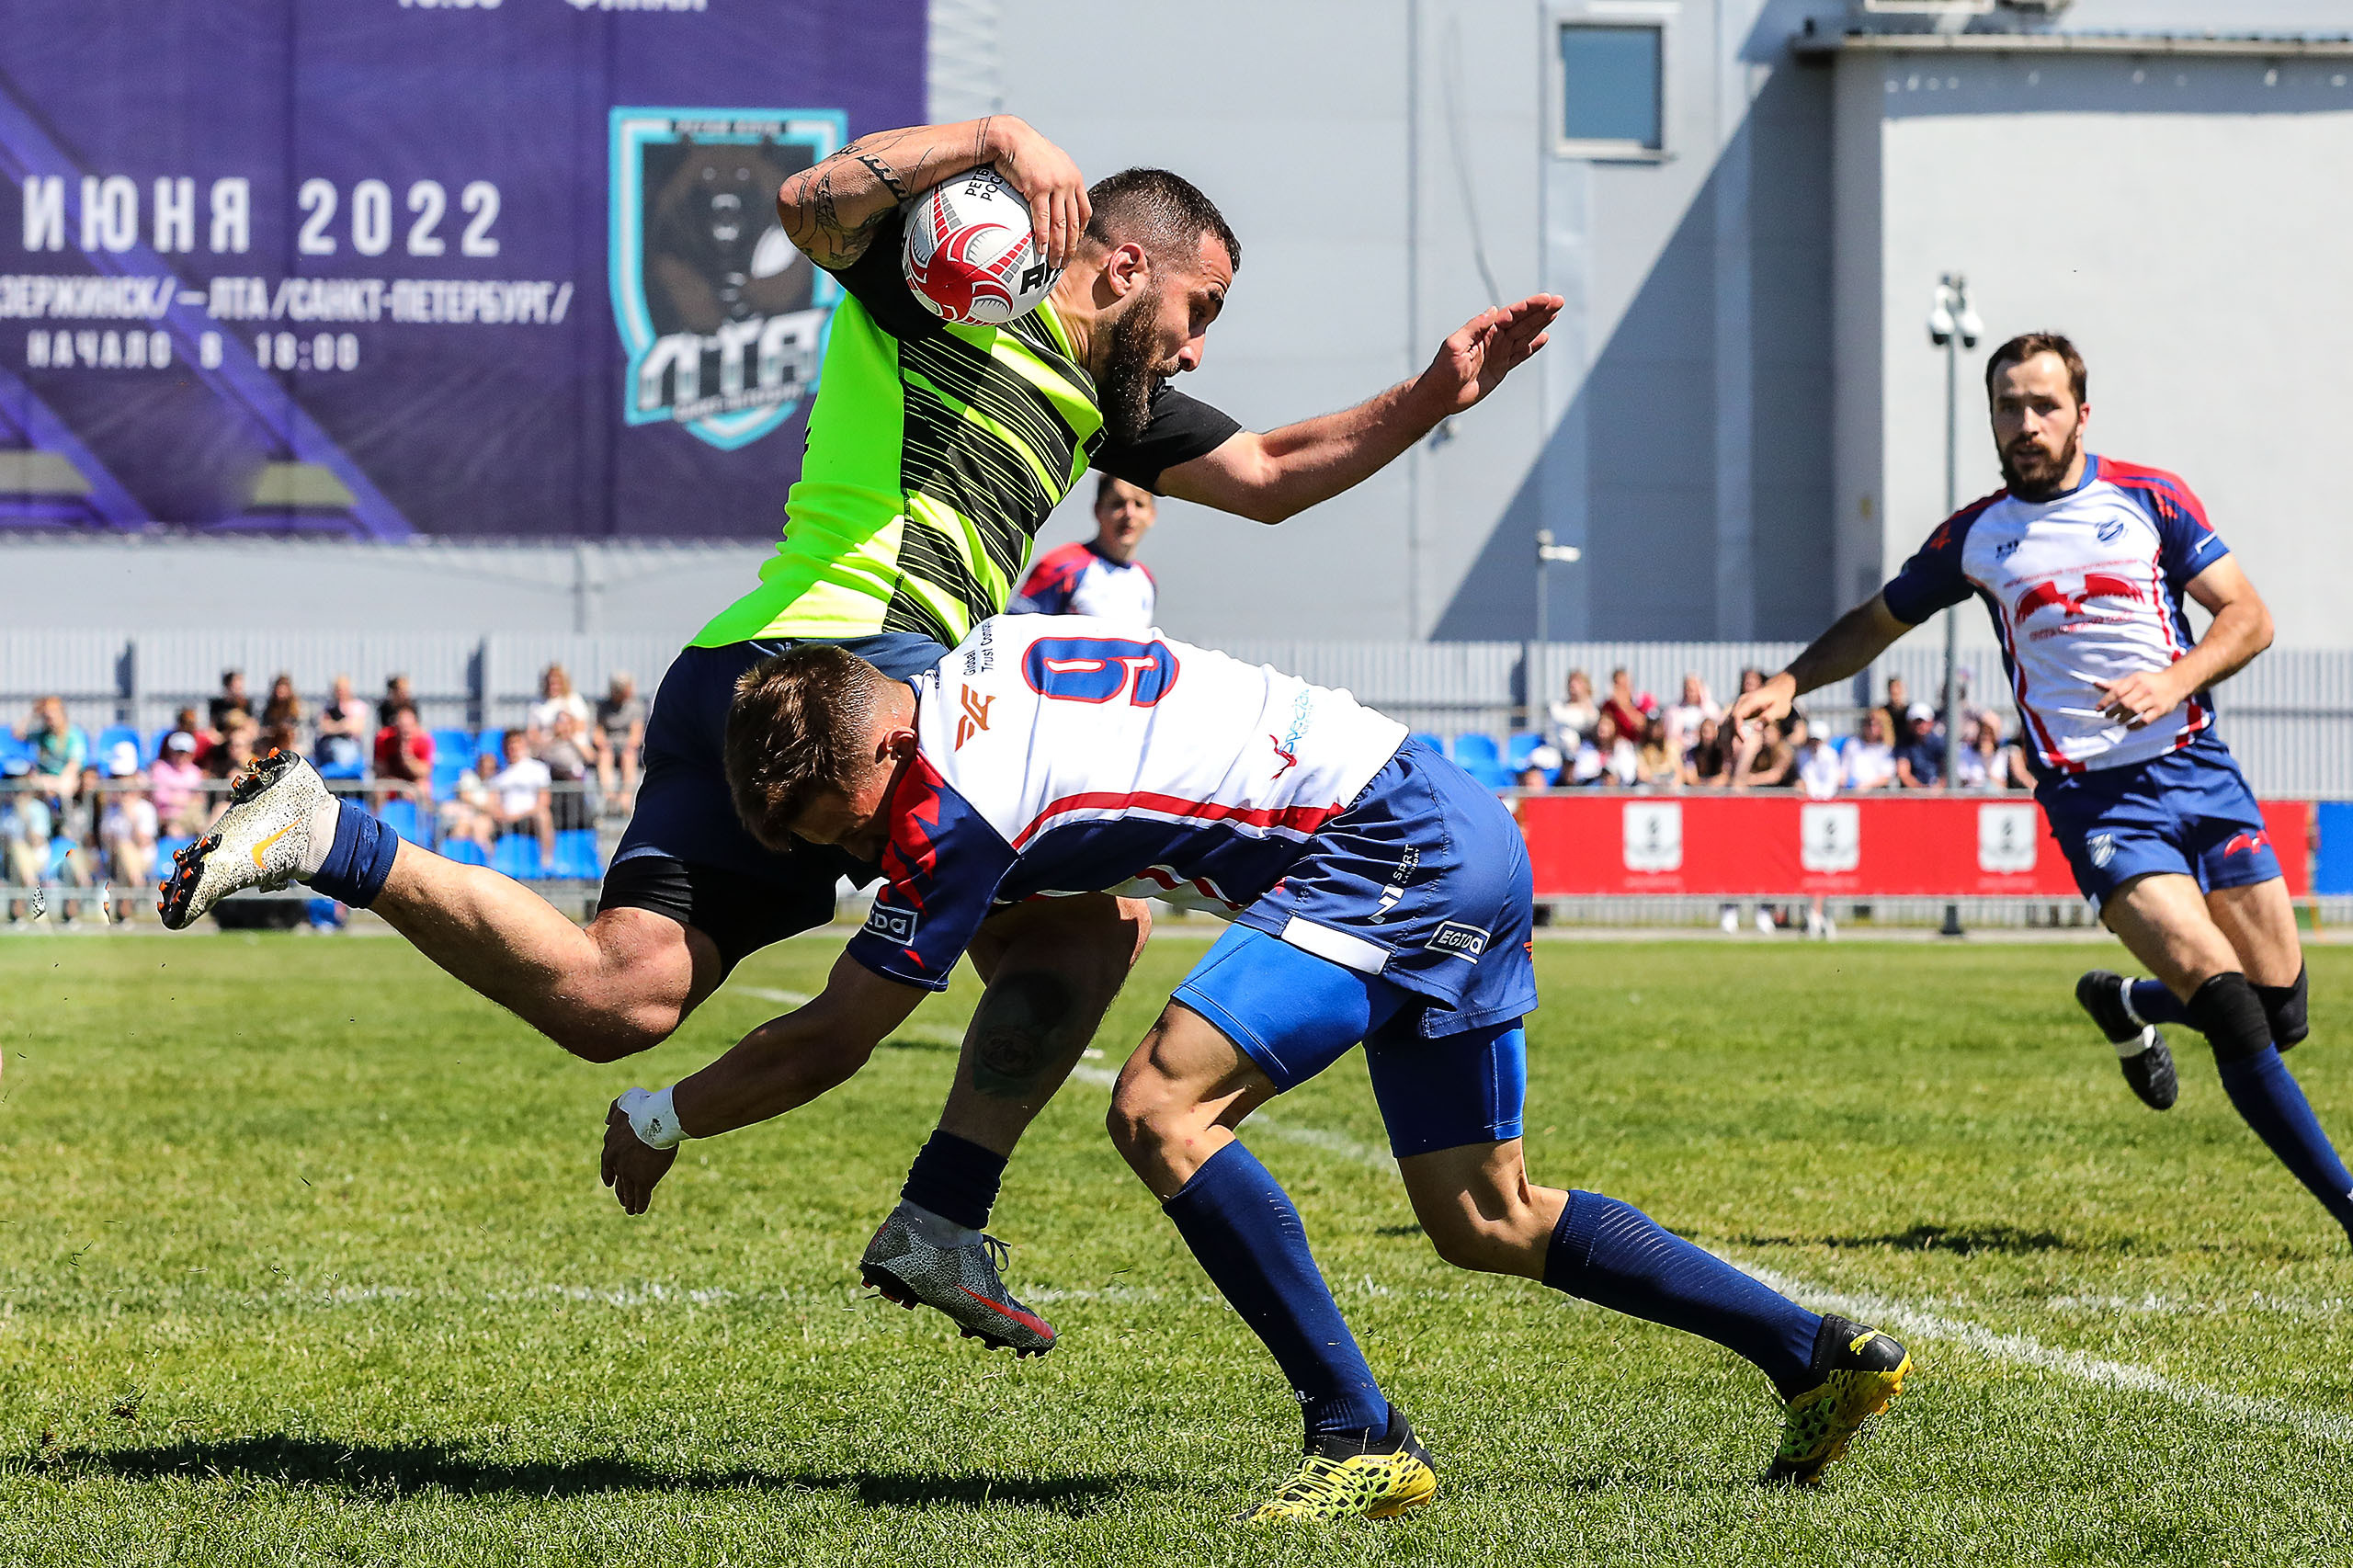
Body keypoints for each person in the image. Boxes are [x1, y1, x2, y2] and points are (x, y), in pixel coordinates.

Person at [163, 114, 1562, 1354]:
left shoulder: (1104, 403)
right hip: (868, 687)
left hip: (745, 668)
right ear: (1129, 263)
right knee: (1086, 939)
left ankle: (325, 833)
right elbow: (811, 205)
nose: (1201, 345)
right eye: (1202, 307)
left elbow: (1267, 472)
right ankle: (943, 1214)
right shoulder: (962, 283)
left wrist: (1431, 395)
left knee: (618, 997)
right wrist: (992, 135)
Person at [596, 616, 1912, 1519]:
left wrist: (664, 1111)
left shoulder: (950, 800)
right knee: (1487, 1215)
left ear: (887, 748)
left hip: (1386, 844)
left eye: (850, 827)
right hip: (1450, 819)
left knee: (1160, 1106)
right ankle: (1813, 1353)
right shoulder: (979, 660)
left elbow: (833, 1034)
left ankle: (1361, 1435)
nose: (860, 857)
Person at [1730, 331, 2353, 1244]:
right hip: (2096, 802)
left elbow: (2249, 616)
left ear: (2080, 414)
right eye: (2008, 407)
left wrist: (2172, 681)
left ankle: (2123, 1002)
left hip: (2198, 769)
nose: (2025, 423)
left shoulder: (2151, 497)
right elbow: (1876, 620)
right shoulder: (1975, 536)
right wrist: (1792, 681)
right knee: (2223, 1000)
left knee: (2280, 1010)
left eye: (2043, 405)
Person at [1014, 475, 1159, 625]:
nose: (1129, 514)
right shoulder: (1062, 566)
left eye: (1139, 505)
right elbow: (1016, 628)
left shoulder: (1146, 580)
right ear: (1098, 510)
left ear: (1152, 515)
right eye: (1118, 504)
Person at [486, 731, 555, 868]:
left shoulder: (538, 768)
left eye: (516, 743)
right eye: (509, 745)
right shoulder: (499, 773)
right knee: (481, 824)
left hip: (528, 818)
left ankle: (546, 860)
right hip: (504, 820)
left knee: (543, 816)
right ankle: (488, 862)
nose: (513, 748)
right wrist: (498, 812)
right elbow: (493, 800)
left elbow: (544, 801)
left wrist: (518, 816)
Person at [101, 772, 158, 921]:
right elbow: (106, 840)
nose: (124, 795)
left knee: (124, 850)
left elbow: (143, 841)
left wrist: (131, 817)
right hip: (116, 858)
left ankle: (124, 912)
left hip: (142, 857)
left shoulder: (146, 809)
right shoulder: (112, 810)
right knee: (123, 848)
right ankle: (136, 881)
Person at [594, 673, 646, 812]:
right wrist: (604, 744)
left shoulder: (635, 707)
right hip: (608, 746)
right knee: (604, 756)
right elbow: (598, 732)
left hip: (627, 747)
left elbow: (636, 734)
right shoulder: (603, 707)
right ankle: (609, 798)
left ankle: (625, 801)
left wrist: (628, 746)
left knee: (628, 757)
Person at [371, 703, 434, 804]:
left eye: (409, 726)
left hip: (413, 782)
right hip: (391, 781)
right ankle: (376, 814)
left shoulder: (424, 740)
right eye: (403, 726)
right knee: (379, 789)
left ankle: (423, 814)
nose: (406, 731)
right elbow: (379, 769)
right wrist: (398, 785)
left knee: (423, 787)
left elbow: (424, 771)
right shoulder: (383, 739)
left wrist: (407, 758)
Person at [148, 732, 208, 837]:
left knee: (202, 826)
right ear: (171, 752)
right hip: (166, 818)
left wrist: (179, 800)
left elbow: (199, 798)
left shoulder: (195, 772)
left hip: (190, 815)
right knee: (175, 831)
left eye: (185, 752)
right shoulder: (160, 768)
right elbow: (158, 796)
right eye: (178, 752)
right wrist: (183, 800)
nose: (181, 756)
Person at [315, 674, 370, 776]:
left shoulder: (358, 706)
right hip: (327, 746)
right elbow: (323, 727)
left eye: (343, 689)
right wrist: (343, 725)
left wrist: (334, 726)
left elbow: (355, 728)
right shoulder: (329, 706)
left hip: (349, 746)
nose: (340, 692)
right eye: (338, 689)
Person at [1569, 710, 1638, 788]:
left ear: (1614, 727)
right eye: (1601, 724)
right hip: (1591, 789)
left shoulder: (1623, 746)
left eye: (1607, 724)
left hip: (1619, 790)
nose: (1602, 728)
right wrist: (1600, 776)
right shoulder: (1587, 746)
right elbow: (1580, 773)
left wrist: (1615, 777)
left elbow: (1629, 775)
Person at [529, 665, 594, 738]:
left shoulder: (573, 699)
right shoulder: (537, 703)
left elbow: (584, 725)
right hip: (547, 743)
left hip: (572, 742)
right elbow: (532, 732)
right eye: (551, 683)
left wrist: (567, 727)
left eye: (557, 683)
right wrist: (553, 730)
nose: (553, 687)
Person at [1839, 710, 1896, 792]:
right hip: (1850, 790)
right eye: (1869, 724)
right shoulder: (1853, 743)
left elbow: (1887, 776)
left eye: (1875, 725)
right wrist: (1844, 781)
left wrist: (1866, 785)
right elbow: (1843, 769)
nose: (1871, 728)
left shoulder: (1886, 749)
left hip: (1876, 792)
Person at [1546, 669, 1598, 754]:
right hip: (1555, 750)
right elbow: (1560, 718)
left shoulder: (1593, 711)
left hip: (1581, 752)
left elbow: (1592, 723)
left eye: (1578, 682)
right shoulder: (1558, 707)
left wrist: (1585, 702)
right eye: (1571, 682)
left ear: (1586, 686)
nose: (1573, 685)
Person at [1893, 703, 1943, 790]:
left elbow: (1948, 771)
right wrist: (1920, 789)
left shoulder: (1940, 743)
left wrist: (1938, 787)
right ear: (1909, 723)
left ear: (1931, 722)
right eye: (1916, 722)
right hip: (1913, 793)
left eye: (1923, 721)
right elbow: (1903, 773)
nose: (1920, 725)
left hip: (1939, 793)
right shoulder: (1903, 745)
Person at [209, 671, 252, 735]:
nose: (239, 690)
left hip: (239, 736)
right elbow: (212, 726)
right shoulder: (217, 704)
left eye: (240, 688)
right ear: (227, 686)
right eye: (236, 687)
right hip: (221, 736)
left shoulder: (246, 703)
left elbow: (250, 725)